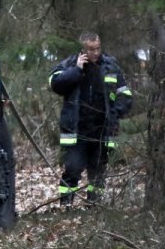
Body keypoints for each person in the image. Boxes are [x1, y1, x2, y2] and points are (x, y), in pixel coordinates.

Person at [49, 31, 133, 206]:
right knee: (72, 169)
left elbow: (124, 95)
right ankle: (66, 205)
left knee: (98, 172)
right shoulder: (69, 64)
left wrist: (114, 112)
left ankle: (95, 206)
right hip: (76, 131)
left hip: (102, 131)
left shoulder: (110, 66)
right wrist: (76, 70)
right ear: (82, 49)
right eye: (90, 49)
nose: (95, 53)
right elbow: (55, 84)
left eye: (98, 48)